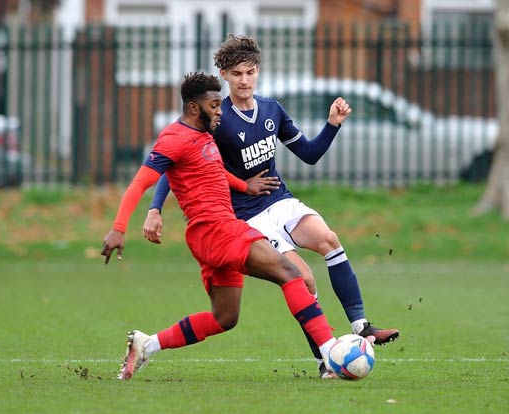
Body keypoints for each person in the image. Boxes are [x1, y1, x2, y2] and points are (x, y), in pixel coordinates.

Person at [144, 35, 399, 379]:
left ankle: (362, 325)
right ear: (224, 76)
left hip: (280, 201)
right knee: (303, 279)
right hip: (245, 216)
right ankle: (326, 361)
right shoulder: (217, 119)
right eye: (236, 74)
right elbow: (173, 164)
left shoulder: (271, 109)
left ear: (258, 72)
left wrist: (332, 124)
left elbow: (309, 155)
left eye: (250, 72)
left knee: (329, 239)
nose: (244, 80)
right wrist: (156, 207)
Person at [101, 72, 338, 381]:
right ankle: (332, 354)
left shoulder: (204, 136)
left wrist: (245, 185)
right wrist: (121, 227)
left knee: (225, 317)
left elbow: (211, 172)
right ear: (193, 107)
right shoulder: (174, 138)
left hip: (215, 234)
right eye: (214, 105)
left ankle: (147, 344)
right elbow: (139, 183)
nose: (220, 111)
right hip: (216, 230)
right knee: (291, 273)